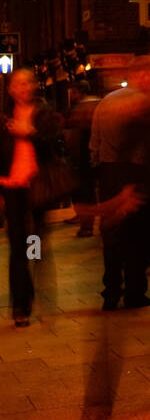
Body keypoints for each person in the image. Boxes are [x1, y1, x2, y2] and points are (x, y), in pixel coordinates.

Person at [91, 59, 150, 312]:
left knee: (112, 236)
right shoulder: (146, 104)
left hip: (109, 172)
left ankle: (111, 292)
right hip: (137, 173)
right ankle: (135, 291)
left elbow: (94, 144)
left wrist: (100, 168)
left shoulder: (105, 102)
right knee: (137, 235)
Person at [0, 69, 62, 326]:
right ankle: (21, 306)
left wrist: (31, 133)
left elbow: (55, 145)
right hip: (11, 185)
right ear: (11, 89)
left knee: (35, 242)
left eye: (27, 83)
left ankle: (38, 293)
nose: (23, 87)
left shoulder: (44, 112)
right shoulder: (4, 116)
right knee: (17, 247)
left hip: (37, 186)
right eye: (18, 83)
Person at [65, 80, 100, 237]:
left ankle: (86, 224)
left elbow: (75, 134)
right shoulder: (100, 104)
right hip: (97, 154)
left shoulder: (82, 108)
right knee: (92, 190)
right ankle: (87, 220)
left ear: (80, 91)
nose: (72, 95)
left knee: (84, 191)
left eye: (73, 91)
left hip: (84, 155)